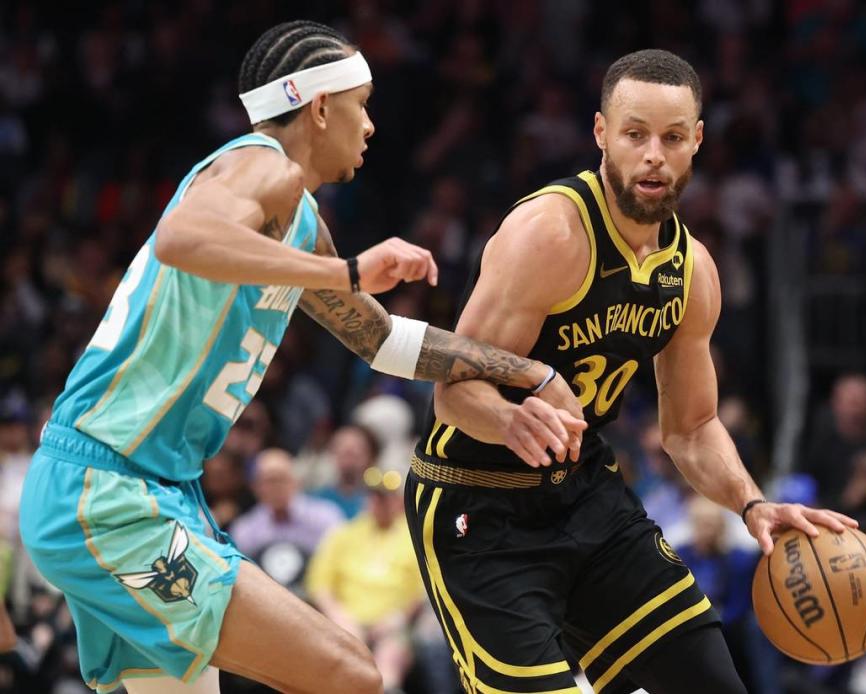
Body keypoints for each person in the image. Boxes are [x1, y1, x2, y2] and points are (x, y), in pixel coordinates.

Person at [19, 20, 584, 694]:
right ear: (320, 106)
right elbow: (180, 235)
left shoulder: (300, 218)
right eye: (362, 104)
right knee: (348, 675)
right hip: (108, 492)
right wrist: (346, 271)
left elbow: (382, 341)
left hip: (146, 490)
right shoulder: (261, 162)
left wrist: (529, 374)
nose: (370, 125)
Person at [405, 49, 858, 694]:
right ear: (600, 135)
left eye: (672, 138)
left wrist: (750, 503)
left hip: (586, 495)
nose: (653, 154)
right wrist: (511, 418)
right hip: (478, 506)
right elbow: (450, 393)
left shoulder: (693, 271)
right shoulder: (549, 234)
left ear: (697, 141)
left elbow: (693, 428)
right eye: (634, 134)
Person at [306, 468, 427, 694]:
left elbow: (421, 591)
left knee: (389, 659)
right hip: (346, 621)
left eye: (385, 497)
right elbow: (320, 584)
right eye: (374, 497)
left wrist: (398, 617)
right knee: (345, 656)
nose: (379, 503)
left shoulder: (413, 537)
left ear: (397, 501)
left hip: (392, 623)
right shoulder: (342, 534)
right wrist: (338, 614)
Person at [229, 448, 343, 591]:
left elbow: (341, 567)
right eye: (270, 481)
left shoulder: (326, 518)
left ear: (296, 481)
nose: (276, 487)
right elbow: (241, 579)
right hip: (265, 602)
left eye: (282, 479)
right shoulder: (245, 529)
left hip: (316, 600)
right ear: (256, 487)